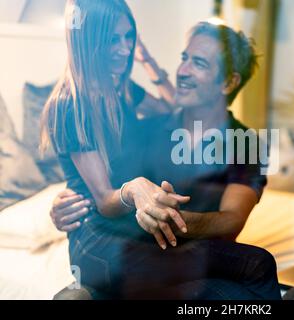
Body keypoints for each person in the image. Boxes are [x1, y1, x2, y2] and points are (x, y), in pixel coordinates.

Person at [43, 0, 280, 300]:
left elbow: (232, 220)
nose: (182, 70)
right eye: (184, 58)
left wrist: (167, 218)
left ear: (229, 82)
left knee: (239, 285)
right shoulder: (148, 129)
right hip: (137, 252)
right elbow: (107, 189)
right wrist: (62, 203)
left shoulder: (247, 144)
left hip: (179, 253)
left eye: (199, 63)